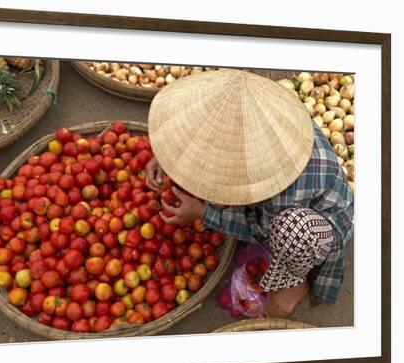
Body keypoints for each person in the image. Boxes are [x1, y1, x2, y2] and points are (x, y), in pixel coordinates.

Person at [145, 68, 353, 317]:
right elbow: (198, 132)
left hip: (315, 223)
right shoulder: (267, 118)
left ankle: (295, 280)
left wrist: (203, 212)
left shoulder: (284, 192)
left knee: (291, 233)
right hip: (287, 190)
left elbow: (261, 231)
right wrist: (169, 157)